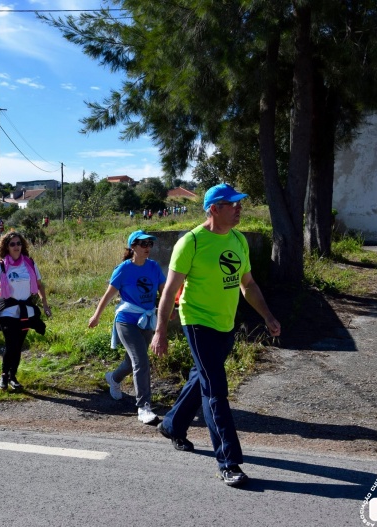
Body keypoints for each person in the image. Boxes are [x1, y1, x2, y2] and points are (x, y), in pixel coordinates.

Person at [151, 183, 281, 487]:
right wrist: (160, 331)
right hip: (197, 323)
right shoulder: (192, 243)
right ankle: (229, 461)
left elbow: (247, 284)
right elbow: (170, 290)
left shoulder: (238, 240)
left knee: (202, 378)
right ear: (214, 208)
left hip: (226, 323)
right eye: (231, 204)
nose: (238, 209)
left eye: (240, 204)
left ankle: (172, 425)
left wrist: (268, 315)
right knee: (215, 391)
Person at [88, 230, 165, 424]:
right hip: (126, 321)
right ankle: (143, 407)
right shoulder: (123, 269)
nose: (147, 247)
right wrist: (96, 316)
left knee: (132, 363)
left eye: (150, 244)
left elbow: (165, 292)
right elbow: (108, 295)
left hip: (147, 320)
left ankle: (113, 378)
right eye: (143, 244)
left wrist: (170, 309)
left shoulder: (154, 267)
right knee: (141, 361)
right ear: (133, 247)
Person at [0, 231, 51, 391]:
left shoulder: (30, 263)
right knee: (11, 344)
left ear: (22, 245)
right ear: (6, 247)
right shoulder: (0, 266)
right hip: (7, 311)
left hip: (25, 311)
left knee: (18, 345)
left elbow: (40, 285)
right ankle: (4, 376)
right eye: (12, 244)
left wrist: (45, 304)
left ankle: (12, 376)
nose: (16, 246)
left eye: (18, 243)